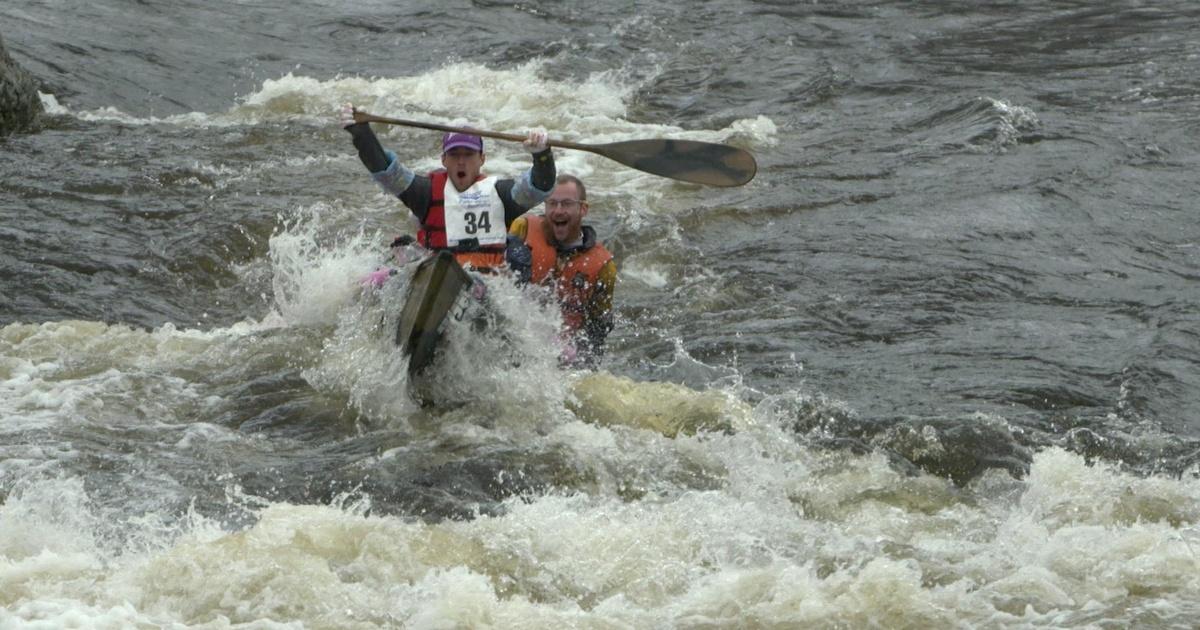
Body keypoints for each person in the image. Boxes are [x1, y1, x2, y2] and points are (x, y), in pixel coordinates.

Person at [339, 103, 554, 273]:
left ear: (482, 159)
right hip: (436, 276)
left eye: (468, 155)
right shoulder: (425, 193)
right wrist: (362, 134)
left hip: (488, 285)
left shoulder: (501, 194)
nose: (461, 162)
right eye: (454, 155)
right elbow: (387, 172)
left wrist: (542, 155)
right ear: (444, 160)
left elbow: (538, 187)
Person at [508, 174, 616, 368]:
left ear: (583, 209)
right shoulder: (522, 229)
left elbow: (599, 328)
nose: (558, 211)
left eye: (566, 204)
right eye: (552, 203)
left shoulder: (603, 267)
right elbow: (497, 282)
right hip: (516, 342)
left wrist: (582, 358)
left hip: (563, 358)